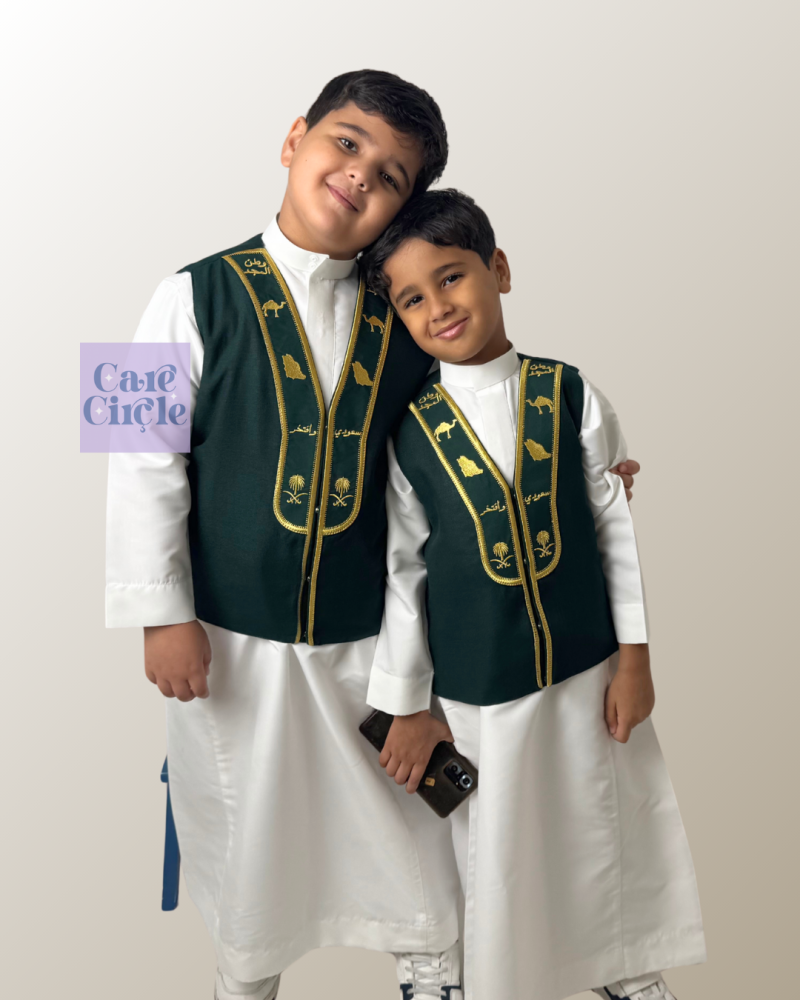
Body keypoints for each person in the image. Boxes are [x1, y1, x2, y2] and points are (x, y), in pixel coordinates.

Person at [106, 72, 641, 1000]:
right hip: (229, 640)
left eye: (391, 175)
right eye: (347, 143)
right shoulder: (181, 291)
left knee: (416, 826)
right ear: (295, 139)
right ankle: (244, 980)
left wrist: (589, 467)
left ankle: (433, 972)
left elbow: (481, 401)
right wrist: (160, 611)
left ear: (405, 205)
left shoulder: (404, 305)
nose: (360, 174)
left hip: (374, 638)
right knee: (246, 831)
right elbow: (129, 451)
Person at [362, 189, 705, 1000]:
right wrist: (407, 702)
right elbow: (404, 575)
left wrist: (634, 660)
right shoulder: (410, 434)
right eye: (413, 299)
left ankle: (620, 967)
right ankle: (487, 977)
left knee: (600, 823)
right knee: (497, 840)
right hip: (480, 687)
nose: (439, 307)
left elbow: (615, 532)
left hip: (588, 668)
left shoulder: (571, 393)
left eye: (452, 277)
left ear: (500, 269)